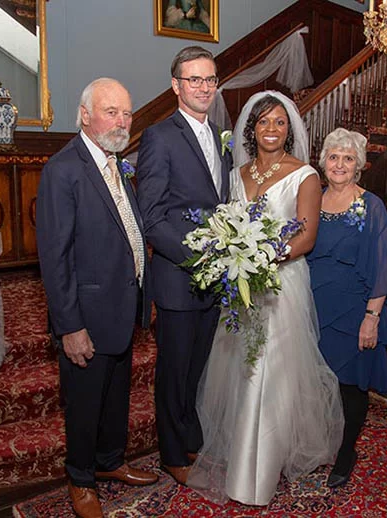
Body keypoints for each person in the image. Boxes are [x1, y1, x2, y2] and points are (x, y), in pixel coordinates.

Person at [187, 91, 345, 506]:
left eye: (279, 122)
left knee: (271, 373)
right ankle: (241, 453)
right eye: (263, 122)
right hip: (242, 286)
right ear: (251, 129)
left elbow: (306, 236)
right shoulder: (236, 174)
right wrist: (234, 254)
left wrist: (263, 258)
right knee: (241, 369)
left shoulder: (304, 175)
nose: (271, 129)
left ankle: (258, 474)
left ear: (289, 130)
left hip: (281, 285)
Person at [36, 78, 157, 518]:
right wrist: (70, 326)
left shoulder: (115, 163)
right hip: (86, 315)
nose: (122, 121)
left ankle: (109, 461)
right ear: (85, 115)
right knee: (85, 405)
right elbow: (55, 258)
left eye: (127, 113)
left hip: (121, 308)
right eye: (111, 112)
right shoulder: (63, 170)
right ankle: (81, 478)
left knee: (115, 397)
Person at [136, 46, 233, 485]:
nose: (204, 87)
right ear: (176, 85)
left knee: (197, 368)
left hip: (213, 280)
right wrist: (199, 258)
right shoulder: (160, 136)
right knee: (174, 373)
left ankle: (190, 437)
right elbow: (151, 217)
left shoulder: (220, 137)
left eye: (210, 79)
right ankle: (172, 454)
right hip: (179, 277)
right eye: (194, 79)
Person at [306, 127, 387, 488]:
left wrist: (372, 318)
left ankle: (346, 452)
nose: (340, 164)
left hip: (354, 311)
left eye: (348, 158)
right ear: (323, 162)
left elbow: (384, 267)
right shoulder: (312, 199)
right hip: (312, 306)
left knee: (350, 385)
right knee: (315, 382)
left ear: (358, 165)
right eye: (334, 157)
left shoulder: (371, 206)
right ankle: (318, 444)